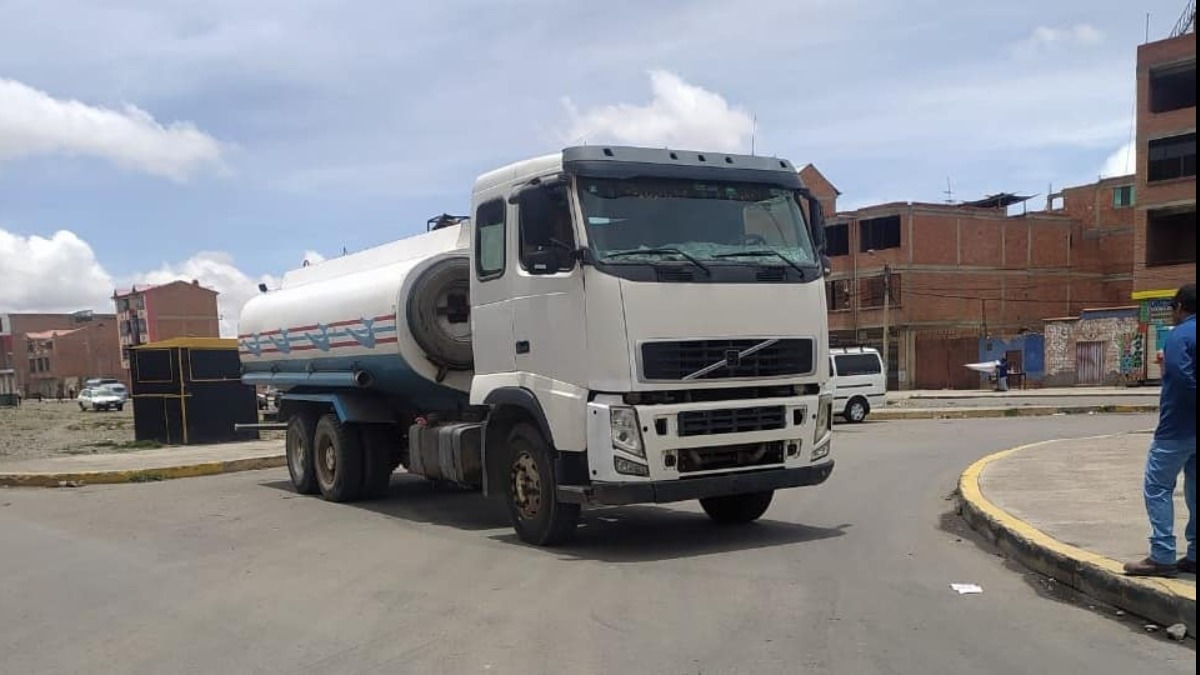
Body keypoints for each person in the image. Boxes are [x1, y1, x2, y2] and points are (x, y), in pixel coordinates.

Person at [1124, 283, 1196, 577]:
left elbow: (1180, 374)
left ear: (1180, 307)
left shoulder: (1179, 335)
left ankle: (1163, 555)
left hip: (1177, 427)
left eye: (1172, 309)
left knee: (1157, 487)